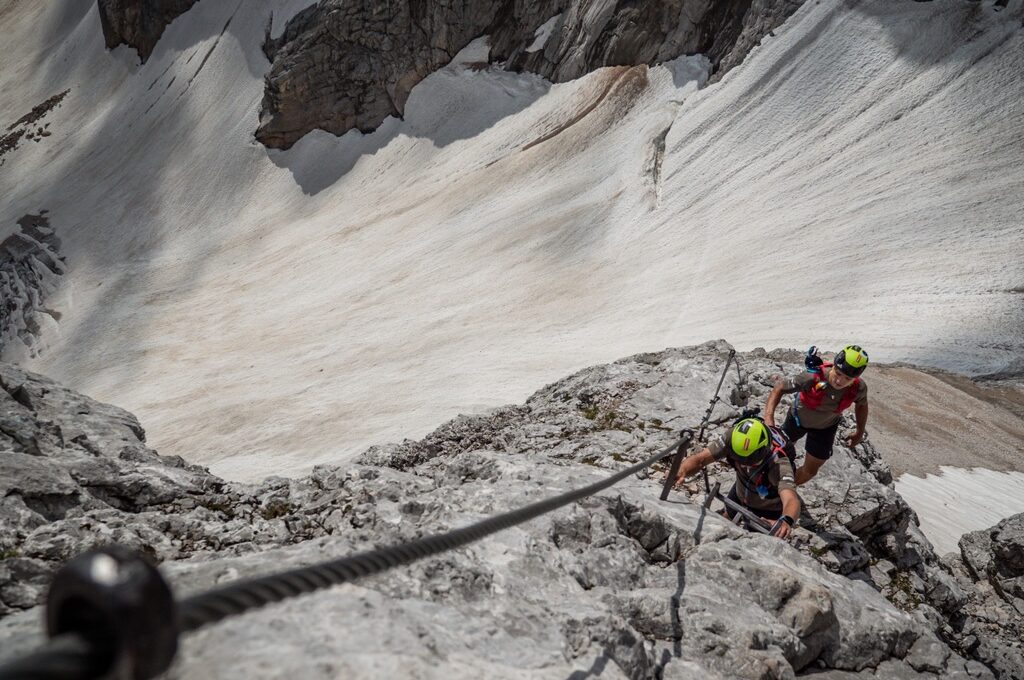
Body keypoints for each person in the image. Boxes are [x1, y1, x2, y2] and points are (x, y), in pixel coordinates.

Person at [673, 418, 800, 539]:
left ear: (764, 450)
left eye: (750, 461)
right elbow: (701, 459)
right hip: (741, 490)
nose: (744, 464)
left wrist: (786, 520)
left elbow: (790, 498)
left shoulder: (779, 465)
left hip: (767, 508)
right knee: (726, 517)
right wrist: (681, 470)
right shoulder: (732, 437)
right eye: (740, 460)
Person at [764, 345, 870, 485]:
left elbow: (862, 404)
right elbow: (780, 388)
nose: (839, 381)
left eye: (847, 378)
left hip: (826, 428)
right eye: (838, 373)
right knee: (776, 454)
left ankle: (783, 489)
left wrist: (859, 431)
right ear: (833, 366)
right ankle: (766, 482)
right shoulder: (812, 377)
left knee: (810, 470)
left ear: (856, 377)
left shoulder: (859, 388)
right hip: (796, 421)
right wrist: (769, 419)